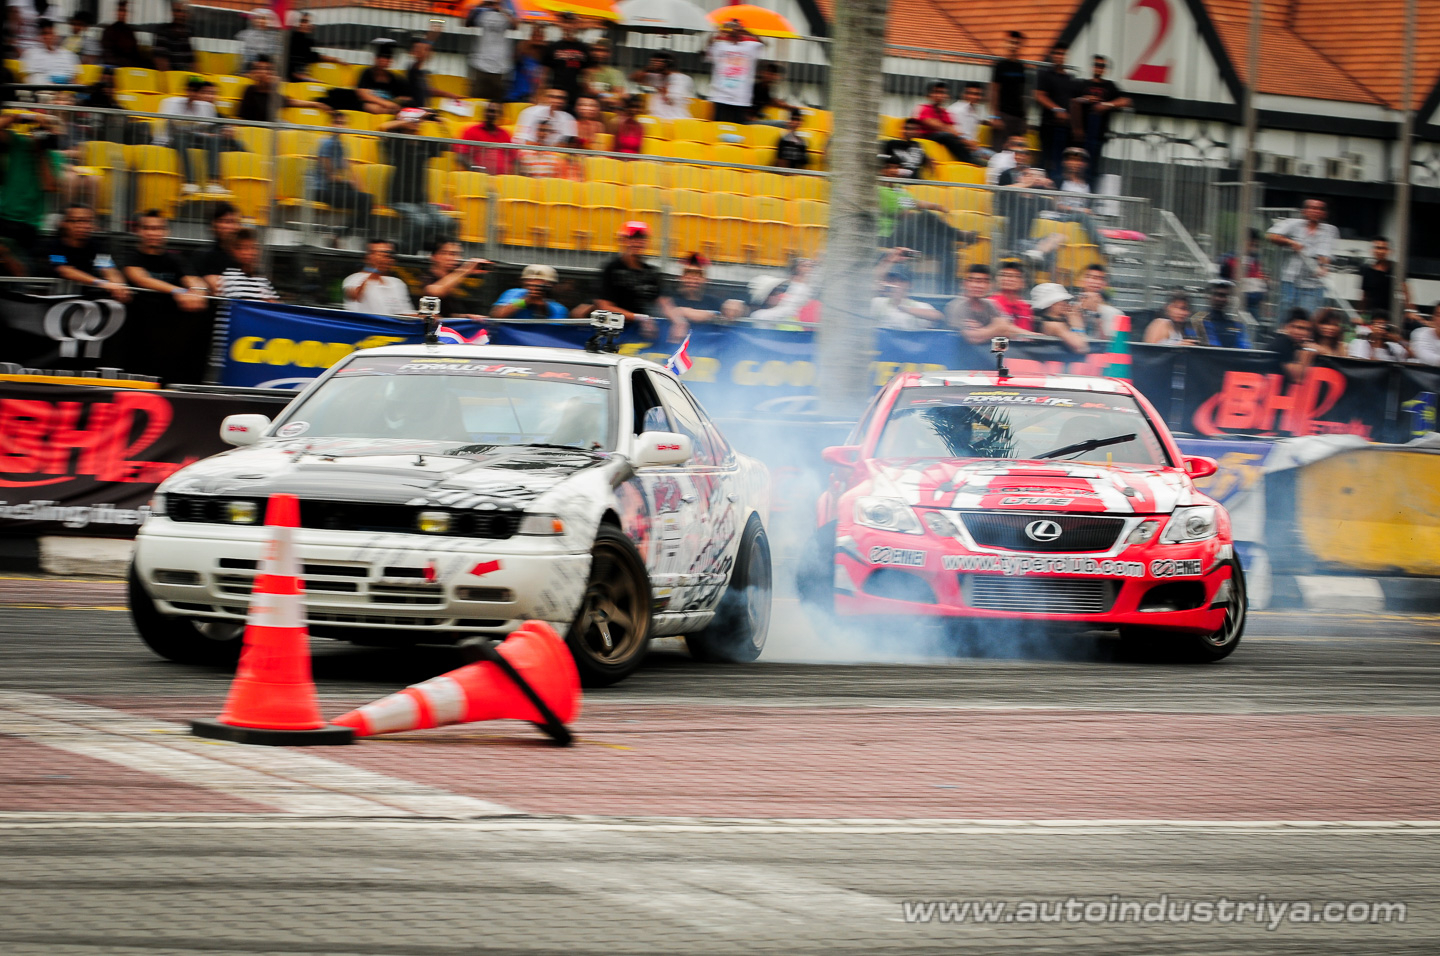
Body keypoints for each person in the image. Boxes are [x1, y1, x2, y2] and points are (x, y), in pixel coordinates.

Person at [120, 209, 210, 384]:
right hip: (137, 339)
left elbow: (194, 281)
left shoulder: (175, 259)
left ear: (166, 231)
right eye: (148, 228)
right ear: (138, 231)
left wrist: (199, 292)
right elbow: (141, 279)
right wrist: (179, 292)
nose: (154, 233)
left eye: (159, 228)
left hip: (170, 341)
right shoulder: (130, 256)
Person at [877, 157, 974, 295]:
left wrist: (937, 206)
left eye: (896, 167)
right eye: (889, 167)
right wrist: (925, 211)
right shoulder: (879, 190)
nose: (893, 171)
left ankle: (946, 293)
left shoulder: (899, 189)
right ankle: (959, 235)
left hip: (910, 234)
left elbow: (913, 203)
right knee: (924, 216)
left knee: (947, 248)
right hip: (890, 235)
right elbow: (901, 213)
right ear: (882, 170)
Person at [211, 228, 279, 377]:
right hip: (226, 355)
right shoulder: (227, 278)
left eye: (253, 247)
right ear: (233, 251)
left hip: (253, 355)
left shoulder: (263, 281)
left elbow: (276, 308)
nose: (250, 253)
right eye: (243, 248)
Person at [380, 108, 450, 253]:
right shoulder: (396, 143)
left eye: (417, 120)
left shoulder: (424, 143)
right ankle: (407, 253)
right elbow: (383, 128)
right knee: (421, 221)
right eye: (414, 119)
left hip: (420, 200)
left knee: (445, 222)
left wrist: (440, 124)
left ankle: (432, 254)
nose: (417, 122)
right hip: (399, 198)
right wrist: (406, 121)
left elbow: (448, 144)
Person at [0, 110, 63, 260]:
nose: (43, 133)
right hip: (4, 215)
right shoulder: (19, 143)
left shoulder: (53, 156)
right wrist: (20, 117)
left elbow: (50, 186)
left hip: (29, 222)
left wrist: (40, 152)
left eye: (47, 130)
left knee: (19, 264)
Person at [44, 202, 130, 302]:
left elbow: (108, 269)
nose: (84, 226)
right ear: (64, 223)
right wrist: (102, 283)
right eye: (78, 221)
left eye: (88, 221)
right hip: (53, 297)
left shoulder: (96, 246)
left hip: (84, 299)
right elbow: (65, 271)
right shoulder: (54, 245)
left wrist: (119, 287)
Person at [1267, 199, 1337, 318]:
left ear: (1325, 214)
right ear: (1304, 211)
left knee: (1308, 316)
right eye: (1312, 208)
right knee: (1286, 313)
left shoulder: (1330, 230)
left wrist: (1323, 266)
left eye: (1319, 209)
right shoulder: (1292, 223)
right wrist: (1290, 242)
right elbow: (1271, 236)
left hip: (1313, 284)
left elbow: (1325, 253)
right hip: (1290, 279)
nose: (1315, 211)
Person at [310, 110, 375, 240]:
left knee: (366, 200)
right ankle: (348, 235)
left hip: (331, 188)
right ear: (329, 124)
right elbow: (330, 175)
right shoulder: (326, 143)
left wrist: (357, 187)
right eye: (337, 122)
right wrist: (352, 185)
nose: (340, 126)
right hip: (320, 189)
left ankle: (344, 235)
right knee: (366, 201)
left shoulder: (340, 145)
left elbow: (349, 169)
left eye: (343, 123)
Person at [157, 76, 228, 194]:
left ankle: (213, 182)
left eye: (198, 91)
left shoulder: (207, 107)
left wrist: (210, 134)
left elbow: (207, 128)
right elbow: (173, 125)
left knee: (215, 139)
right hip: (171, 139)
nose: (194, 93)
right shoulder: (170, 102)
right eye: (192, 90)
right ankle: (190, 182)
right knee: (181, 138)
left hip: (194, 138)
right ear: (186, 90)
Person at [1071, 55, 1130, 187]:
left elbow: (1126, 101)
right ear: (1092, 67)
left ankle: (1090, 192)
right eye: (1097, 65)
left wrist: (1106, 105)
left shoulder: (1110, 86)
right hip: (1080, 132)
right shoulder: (1083, 84)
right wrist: (1086, 99)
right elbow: (1072, 101)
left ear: (1105, 69)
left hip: (1098, 132)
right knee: (1076, 165)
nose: (1099, 68)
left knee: (1092, 166)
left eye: (1102, 66)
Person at [658, 253, 744, 340]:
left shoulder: (713, 302)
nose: (693, 278)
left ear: (706, 279)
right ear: (680, 277)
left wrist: (736, 306)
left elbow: (735, 311)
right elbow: (664, 308)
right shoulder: (670, 299)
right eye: (688, 273)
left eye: (698, 274)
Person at [596, 221, 660, 335]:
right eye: (631, 239)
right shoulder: (612, 269)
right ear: (623, 241)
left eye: (641, 239)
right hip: (615, 333)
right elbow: (604, 306)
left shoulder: (651, 272)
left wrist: (678, 321)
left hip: (643, 334)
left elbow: (663, 302)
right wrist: (639, 318)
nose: (636, 243)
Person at [707, 18, 764, 125]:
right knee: (716, 126)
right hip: (720, 95)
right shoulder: (721, 46)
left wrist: (746, 31)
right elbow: (709, 46)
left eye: (736, 27)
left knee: (739, 128)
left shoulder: (749, 46)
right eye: (732, 27)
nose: (734, 30)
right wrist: (719, 31)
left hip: (740, 97)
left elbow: (761, 43)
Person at [411, 239, 488, 318]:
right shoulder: (426, 278)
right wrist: (466, 269)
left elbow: (447, 315)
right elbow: (435, 292)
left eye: (457, 254)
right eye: (448, 254)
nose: (454, 258)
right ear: (434, 256)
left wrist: (467, 317)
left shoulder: (454, 279)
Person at [871, 256, 944, 331]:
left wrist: (903, 308)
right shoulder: (878, 302)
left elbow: (937, 316)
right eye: (891, 280)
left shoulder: (920, 306)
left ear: (909, 285)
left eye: (899, 281)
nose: (894, 285)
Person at [345, 238, 414, 314]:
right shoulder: (354, 279)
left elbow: (404, 312)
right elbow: (354, 297)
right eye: (379, 254)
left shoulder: (397, 283)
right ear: (368, 257)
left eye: (388, 254)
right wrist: (375, 270)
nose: (384, 258)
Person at [947, 264, 1013, 343]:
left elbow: (1007, 329)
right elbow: (973, 338)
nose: (979, 286)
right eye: (974, 281)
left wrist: (984, 332)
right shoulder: (956, 306)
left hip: (987, 353)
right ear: (965, 283)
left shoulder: (991, 305)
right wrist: (998, 329)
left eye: (984, 281)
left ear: (990, 285)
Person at [1035, 43, 1072, 180]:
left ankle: (1056, 189)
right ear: (1052, 56)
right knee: (1045, 159)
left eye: (1062, 54)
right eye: (1057, 54)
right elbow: (1039, 95)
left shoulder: (1069, 78)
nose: (1059, 57)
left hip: (1065, 128)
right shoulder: (1045, 74)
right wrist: (1056, 109)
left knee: (1061, 162)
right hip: (1048, 124)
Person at [465, 0, 515, 101]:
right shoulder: (483, 10)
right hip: (480, 65)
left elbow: (515, 25)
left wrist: (502, 9)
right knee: (476, 101)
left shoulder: (508, 6)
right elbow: (467, 23)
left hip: (500, 67)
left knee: (496, 103)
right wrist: (481, 5)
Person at [912, 81, 972, 164]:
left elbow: (953, 130)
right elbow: (937, 126)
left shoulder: (945, 112)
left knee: (962, 140)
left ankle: (973, 158)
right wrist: (955, 133)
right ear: (928, 95)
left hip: (942, 139)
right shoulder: (923, 108)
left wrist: (964, 140)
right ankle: (968, 160)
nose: (940, 96)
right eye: (936, 92)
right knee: (944, 135)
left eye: (942, 93)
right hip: (927, 138)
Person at [749, 257, 817, 327]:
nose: (779, 294)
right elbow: (790, 310)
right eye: (774, 292)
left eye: (779, 290)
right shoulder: (760, 316)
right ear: (766, 298)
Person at [236, 56, 306, 122]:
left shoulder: (273, 93)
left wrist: (315, 104)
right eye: (259, 68)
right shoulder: (250, 90)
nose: (264, 72)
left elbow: (289, 101)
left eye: (268, 69)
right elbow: (243, 117)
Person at [1217, 228, 1267, 318]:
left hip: (1254, 304)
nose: (1253, 248)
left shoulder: (1256, 260)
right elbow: (1224, 279)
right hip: (1238, 303)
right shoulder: (1230, 259)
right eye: (1251, 244)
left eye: (1256, 245)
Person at [544, 11, 590, 109]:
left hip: (575, 95)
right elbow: (544, 73)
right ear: (561, 25)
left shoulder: (584, 48)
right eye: (566, 22)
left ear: (577, 25)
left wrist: (585, 95)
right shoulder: (553, 47)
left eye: (572, 23)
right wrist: (541, 93)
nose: (569, 26)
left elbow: (586, 75)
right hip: (556, 93)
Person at [1188, 279, 1251, 349]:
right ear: (1209, 296)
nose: (1221, 299)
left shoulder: (1236, 325)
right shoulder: (1197, 320)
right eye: (1217, 295)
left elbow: (1244, 348)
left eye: (1225, 296)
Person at [989, 30, 1028, 142]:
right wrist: (995, 116)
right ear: (1006, 44)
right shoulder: (1000, 66)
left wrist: (1024, 119)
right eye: (1011, 42)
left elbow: (1022, 93)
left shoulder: (1021, 67)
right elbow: (994, 91)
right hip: (1003, 115)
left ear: (1020, 46)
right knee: (999, 150)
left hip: (1018, 117)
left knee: (1016, 151)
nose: (1013, 46)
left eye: (1016, 43)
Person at [492, 263, 569, 319]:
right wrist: (526, 300)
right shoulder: (515, 294)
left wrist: (542, 307)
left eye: (539, 285)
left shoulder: (558, 308)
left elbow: (551, 333)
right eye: (530, 285)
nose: (534, 288)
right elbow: (497, 315)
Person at [195, 202, 241, 294]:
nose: (232, 227)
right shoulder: (205, 255)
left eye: (235, 222)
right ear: (214, 225)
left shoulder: (241, 255)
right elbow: (218, 288)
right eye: (227, 222)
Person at [1031, 282, 1089, 353]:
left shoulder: (1054, 322)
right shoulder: (1055, 325)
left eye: (1066, 301)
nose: (1066, 304)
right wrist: (1076, 325)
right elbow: (1081, 347)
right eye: (1062, 301)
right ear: (1051, 304)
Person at [459, 100, 515, 174]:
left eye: (496, 112)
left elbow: (515, 159)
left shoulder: (505, 134)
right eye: (490, 111)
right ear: (484, 113)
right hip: (478, 177)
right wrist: (476, 170)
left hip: (503, 181)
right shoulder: (471, 130)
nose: (492, 114)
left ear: (501, 115)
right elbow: (460, 156)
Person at [357, 39, 411, 114]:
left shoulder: (395, 78)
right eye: (383, 57)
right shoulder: (367, 73)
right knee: (370, 107)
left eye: (388, 58)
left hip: (390, 107)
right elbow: (363, 94)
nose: (385, 60)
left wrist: (397, 102)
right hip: (373, 107)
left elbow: (404, 98)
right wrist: (386, 103)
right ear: (376, 59)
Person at [1073, 263, 1125, 339]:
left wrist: (1096, 315)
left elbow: (1110, 345)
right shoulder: (1070, 309)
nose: (1094, 281)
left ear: (1105, 284)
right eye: (1089, 277)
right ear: (1080, 281)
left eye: (1100, 278)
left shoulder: (1116, 314)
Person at [1264, 308, 1317, 383]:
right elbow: (1297, 378)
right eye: (1299, 328)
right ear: (1287, 327)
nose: (1303, 332)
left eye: (1307, 329)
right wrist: (1306, 353)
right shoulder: (1282, 342)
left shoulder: (1294, 344)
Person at [287, 13, 343, 82]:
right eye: (303, 21)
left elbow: (314, 56)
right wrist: (314, 81)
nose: (307, 25)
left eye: (309, 22)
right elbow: (293, 73)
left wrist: (336, 60)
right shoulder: (293, 42)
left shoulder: (305, 43)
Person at [640, 52, 693, 121]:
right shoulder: (657, 76)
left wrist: (661, 88)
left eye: (659, 62)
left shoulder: (682, 79)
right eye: (653, 62)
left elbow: (671, 99)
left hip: (674, 120)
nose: (655, 64)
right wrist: (647, 69)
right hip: (656, 119)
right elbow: (635, 78)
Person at [21, 19, 78, 83]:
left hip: (66, 88)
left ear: (56, 35)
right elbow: (28, 79)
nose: (47, 37)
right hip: (41, 88)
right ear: (39, 36)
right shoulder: (30, 54)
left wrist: (67, 92)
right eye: (44, 34)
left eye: (50, 33)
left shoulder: (69, 55)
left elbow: (74, 79)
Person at [986, 260, 1034, 331]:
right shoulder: (990, 303)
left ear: (1023, 282)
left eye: (1014, 276)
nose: (1007, 279)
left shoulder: (1025, 308)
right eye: (1003, 275)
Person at [948, 82, 990, 161]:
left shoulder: (975, 111)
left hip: (972, 148)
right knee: (994, 160)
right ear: (964, 94)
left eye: (978, 94)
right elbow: (958, 136)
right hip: (962, 149)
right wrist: (977, 149)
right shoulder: (957, 110)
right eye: (972, 94)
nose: (975, 97)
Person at [1360, 236, 1401, 316]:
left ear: (1389, 251)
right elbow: (1365, 296)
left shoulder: (1396, 269)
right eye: (1377, 248)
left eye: (1383, 248)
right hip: (1374, 314)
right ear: (1373, 250)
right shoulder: (1367, 270)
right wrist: (1362, 314)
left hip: (1393, 314)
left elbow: (1405, 290)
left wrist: (1410, 311)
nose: (1380, 251)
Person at [581, 38, 627, 110]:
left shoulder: (614, 73)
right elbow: (587, 91)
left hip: (606, 111)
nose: (598, 54)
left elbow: (619, 95)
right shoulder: (584, 72)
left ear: (609, 53)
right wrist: (609, 95)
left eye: (603, 51)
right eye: (595, 50)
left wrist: (599, 94)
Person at [508, 23, 547, 104]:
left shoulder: (544, 58)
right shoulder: (523, 51)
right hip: (516, 95)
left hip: (534, 98)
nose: (537, 38)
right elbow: (516, 56)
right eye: (534, 35)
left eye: (540, 36)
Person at [151, 2, 194, 73]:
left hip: (184, 75)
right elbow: (160, 61)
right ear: (172, 13)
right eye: (178, 11)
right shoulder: (163, 31)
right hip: (169, 76)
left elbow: (193, 62)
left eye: (184, 12)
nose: (181, 15)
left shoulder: (188, 33)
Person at [100, 0, 144, 69]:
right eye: (120, 11)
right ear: (116, 12)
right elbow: (107, 54)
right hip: (113, 68)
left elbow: (135, 53)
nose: (122, 14)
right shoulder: (109, 31)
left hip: (129, 67)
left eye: (124, 11)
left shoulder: (129, 31)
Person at [405, 33, 435, 108]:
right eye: (419, 49)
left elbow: (429, 90)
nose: (425, 52)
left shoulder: (422, 71)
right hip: (415, 110)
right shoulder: (413, 70)